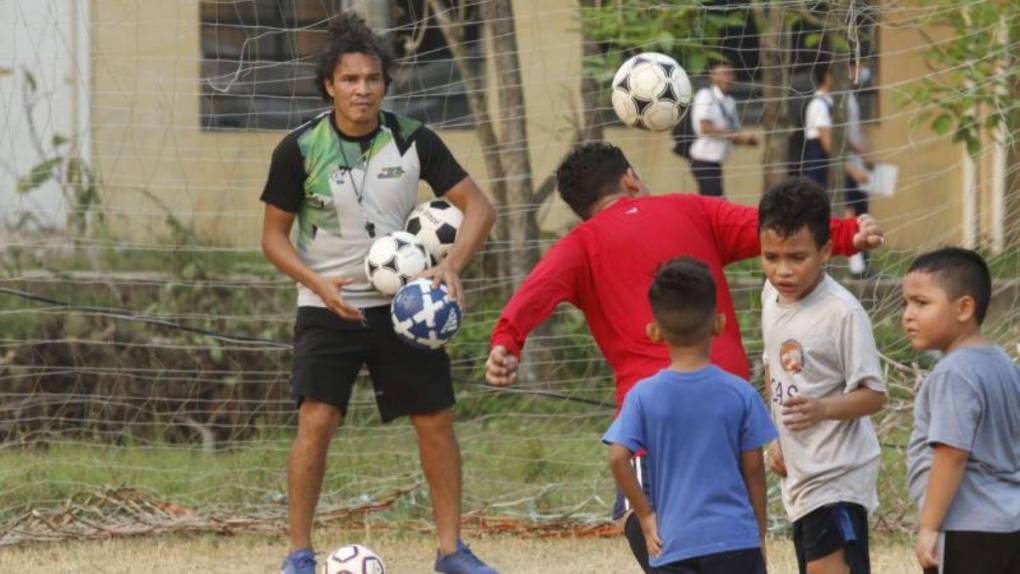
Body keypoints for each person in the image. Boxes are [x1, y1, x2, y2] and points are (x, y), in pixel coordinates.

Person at [484, 142, 885, 572]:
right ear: (631, 178)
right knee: (729, 504)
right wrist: (847, 235)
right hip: (727, 397)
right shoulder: (690, 209)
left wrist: (507, 341)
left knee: (640, 515)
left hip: (656, 411)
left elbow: (537, 288)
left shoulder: (580, 245)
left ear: (580, 208)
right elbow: (772, 229)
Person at [259, 13, 497, 574]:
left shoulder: (413, 139)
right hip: (327, 307)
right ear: (329, 85)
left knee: (434, 418)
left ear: (385, 84)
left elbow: (480, 209)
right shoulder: (299, 147)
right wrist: (316, 281)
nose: (361, 90)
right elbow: (272, 238)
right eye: (350, 80)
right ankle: (298, 552)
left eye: (371, 79)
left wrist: (452, 265)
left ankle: (450, 551)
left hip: (406, 309)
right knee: (316, 420)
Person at [604, 257, 776, 574]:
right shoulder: (741, 393)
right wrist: (759, 532)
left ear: (654, 331)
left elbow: (617, 458)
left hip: (673, 544)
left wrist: (644, 515)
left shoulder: (642, 395)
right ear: (719, 324)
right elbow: (754, 469)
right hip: (736, 542)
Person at [758, 178, 888, 574]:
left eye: (797, 257)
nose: (782, 270)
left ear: (827, 251)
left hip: (837, 474)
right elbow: (771, 365)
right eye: (771, 256)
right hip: (800, 471)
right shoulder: (770, 293)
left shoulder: (841, 313)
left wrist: (822, 408)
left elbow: (874, 395)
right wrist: (774, 434)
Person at [902, 248, 1020, 574]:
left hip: (966, 527)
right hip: (1009, 522)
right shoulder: (1002, 362)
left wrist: (928, 527)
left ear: (964, 308)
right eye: (906, 303)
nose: (908, 314)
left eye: (921, 303)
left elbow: (952, 454)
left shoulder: (954, 373)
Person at [688, 62, 759, 198]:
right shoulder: (706, 95)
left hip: (716, 160)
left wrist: (746, 139)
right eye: (724, 74)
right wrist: (737, 136)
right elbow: (705, 127)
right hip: (703, 159)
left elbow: (732, 131)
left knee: (714, 200)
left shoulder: (730, 101)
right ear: (712, 77)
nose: (728, 78)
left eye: (730, 74)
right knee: (716, 201)